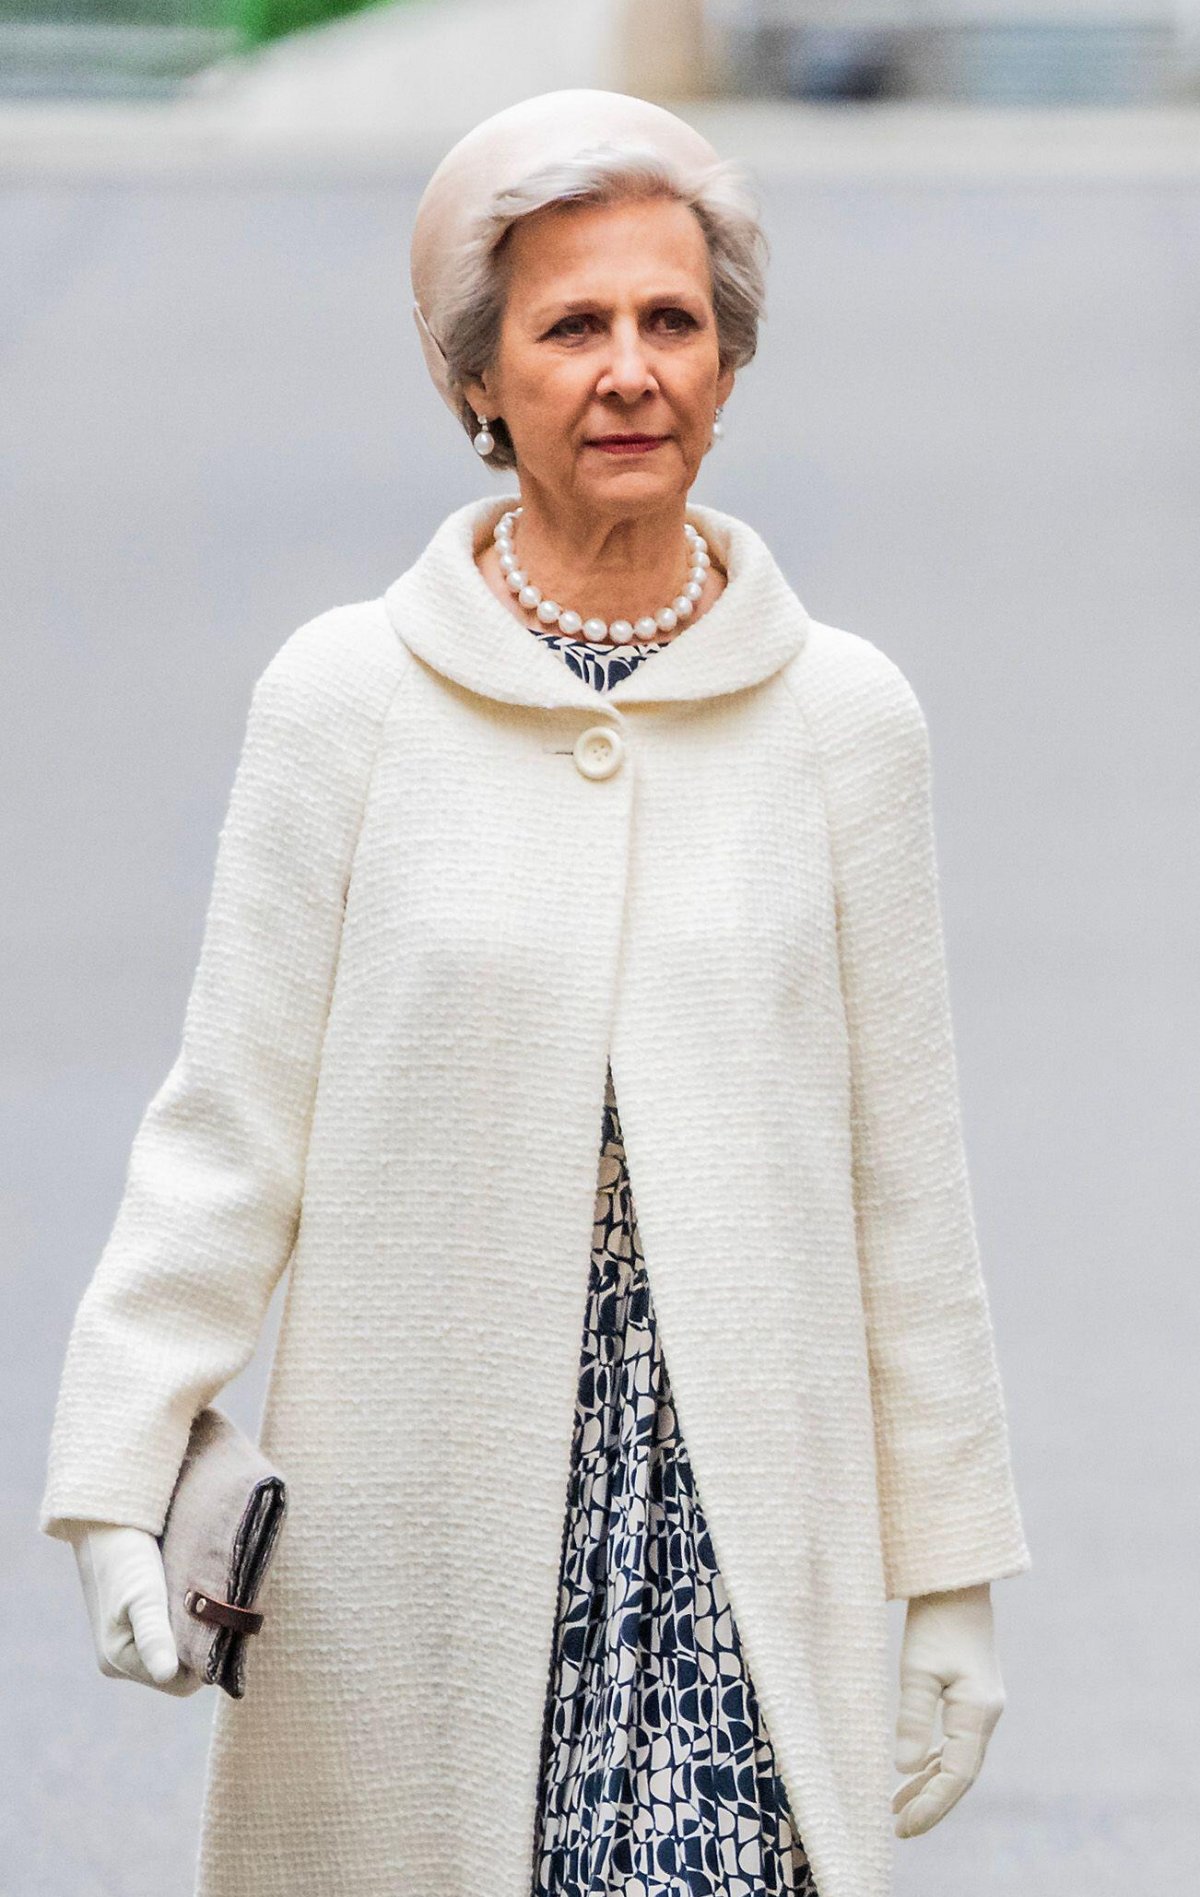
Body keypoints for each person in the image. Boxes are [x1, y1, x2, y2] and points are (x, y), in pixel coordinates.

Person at [38, 88, 1032, 1897]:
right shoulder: (345, 699)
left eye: (674, 321)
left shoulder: (843, 723)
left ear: (730, 366)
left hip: (738, 1540)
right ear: (475, 384)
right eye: (573, 326)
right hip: (418, 1541)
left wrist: (952, 1573)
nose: (632, 369)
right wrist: (116, 1478)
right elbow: (225, 1131)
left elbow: (909, 1185)